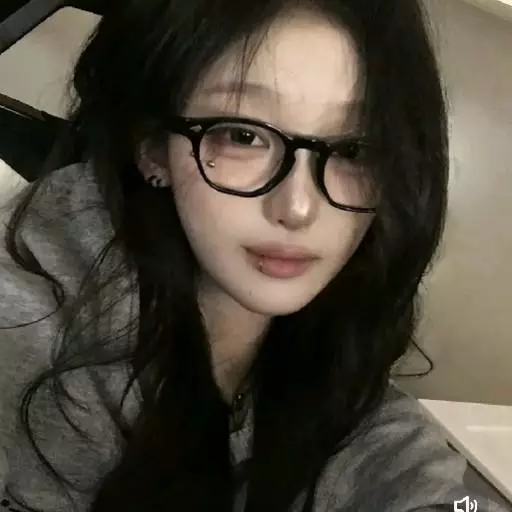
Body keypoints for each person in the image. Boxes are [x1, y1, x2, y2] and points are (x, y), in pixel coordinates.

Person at [0, 1, 508, 511]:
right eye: (242, 135)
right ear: (153, 148)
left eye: (354, 149)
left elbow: (389, 452)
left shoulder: (332, 340)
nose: (299, 208)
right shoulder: (27, 323)